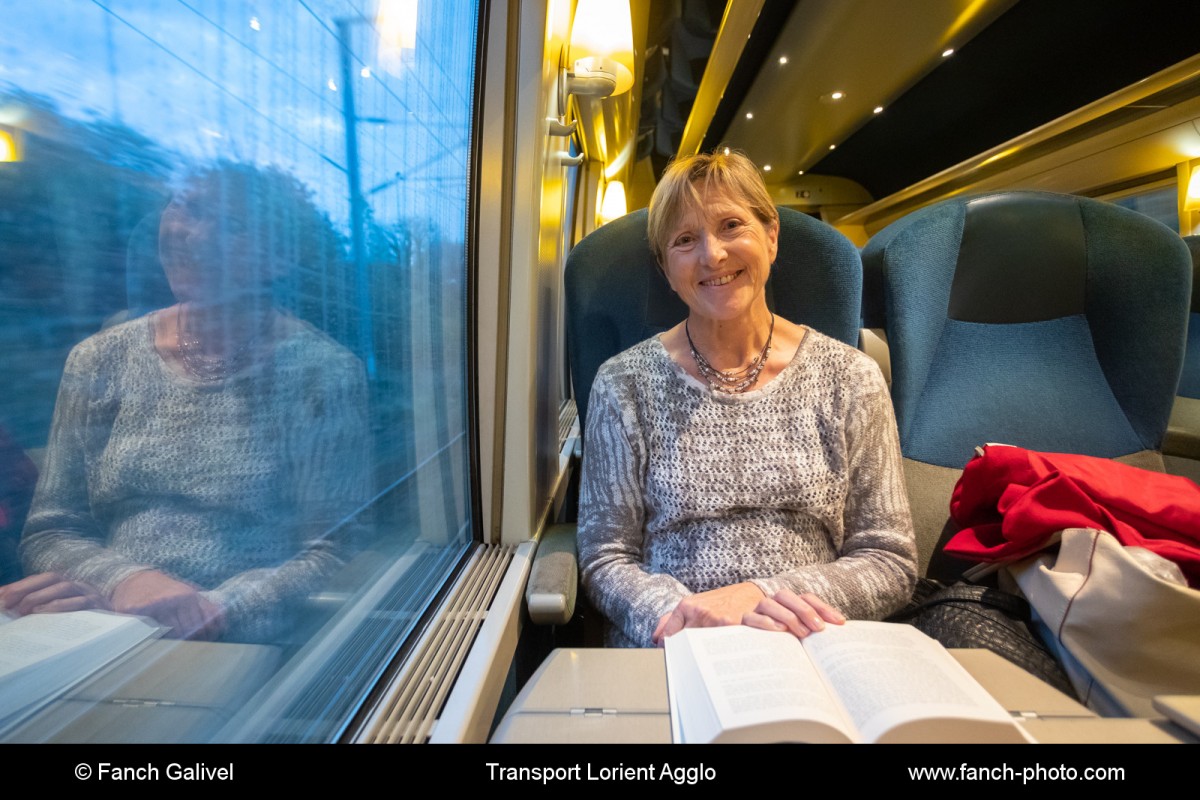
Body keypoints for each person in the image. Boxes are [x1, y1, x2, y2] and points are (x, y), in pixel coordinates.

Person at [0, 164, 369, 643]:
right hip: (102, 626)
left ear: (278, 260)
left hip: (242, 642)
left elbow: (335, 550)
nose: (191, 235)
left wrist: (207, 610)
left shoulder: (322, 371)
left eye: (232, 225)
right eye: (186, 207)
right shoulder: (100, 358)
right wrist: (124, 581)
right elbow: (52, 530)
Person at [577, 151, 916, 648]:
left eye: (731, 225)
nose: (711, 255)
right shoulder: (622, 383)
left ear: (771, 236)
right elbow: (604, 556)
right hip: (675, 644)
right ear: (667, 268)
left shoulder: (851, 377)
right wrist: (680, 617)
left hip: (813, 641)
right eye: (685, 240)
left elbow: (889, 558)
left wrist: (761, 596)